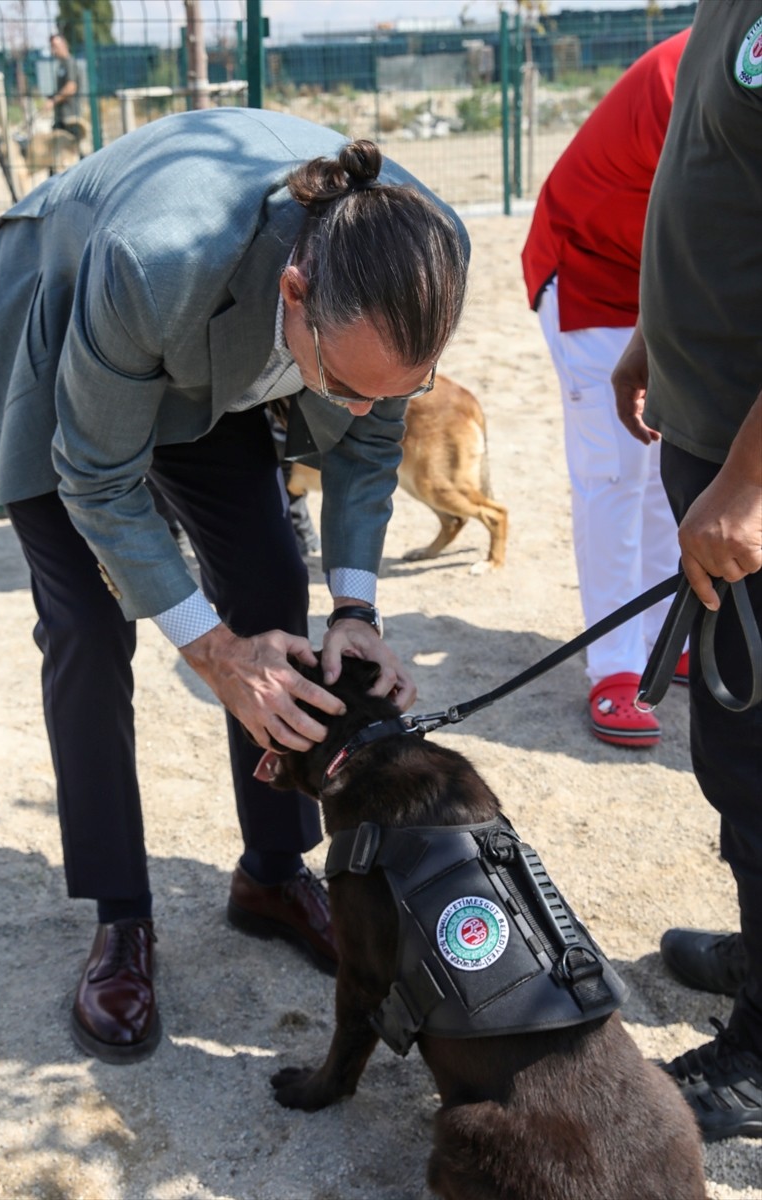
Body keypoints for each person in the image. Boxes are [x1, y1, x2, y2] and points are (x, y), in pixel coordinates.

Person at [0, 107, 469, 1064]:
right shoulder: (160, 257)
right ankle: (120, 918)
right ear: (297, 289)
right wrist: (214, 653)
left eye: (382, 386)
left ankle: (271, 875)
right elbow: (96, 476)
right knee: (88, 625)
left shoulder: (421, 243)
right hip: (52, 323)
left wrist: (355, 608)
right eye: (342, 383)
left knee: (272, 578)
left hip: (215, 347)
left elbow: (373, 431)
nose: (356, 408)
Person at [611, 0, 761, 1142]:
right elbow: (714, 172)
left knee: (760, 755)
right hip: (712, 432)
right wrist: (653, 331)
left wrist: (751, 483)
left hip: (751, 470)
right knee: (733, 741)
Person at [521, 29, 690, 749]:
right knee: (615, 471)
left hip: (670, 277)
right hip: (593, 271)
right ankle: (615, 667)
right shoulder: (714, 62)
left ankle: (658, 634)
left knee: (661, 467)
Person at [45, 33, 80, 136]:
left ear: (64, 44)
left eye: (55, 46)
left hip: (71, 117)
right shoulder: (61, 65)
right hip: (61, 117)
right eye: (52, 46)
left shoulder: (70, 63)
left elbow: (71, 87)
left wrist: (53, 100)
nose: (53, 50)